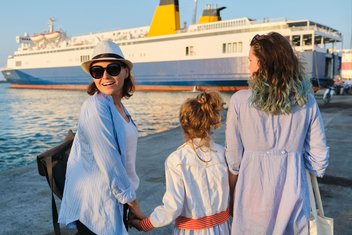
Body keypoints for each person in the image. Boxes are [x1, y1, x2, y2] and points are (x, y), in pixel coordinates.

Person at [225, 32, 329, 234]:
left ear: (263, 64)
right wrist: (293, 158)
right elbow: (319, 160)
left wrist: (230, 196)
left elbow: (234, 161)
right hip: (293, 196)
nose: (249, 66)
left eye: (251, 61)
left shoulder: (239, 101)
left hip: (251, 197)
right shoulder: (306, 101)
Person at [58, 40, 145, 235]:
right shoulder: (95, 108)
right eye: (97, 71)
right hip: (96, 207)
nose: (105, 76)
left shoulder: (118, 106)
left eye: (112, 69)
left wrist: (127, 201)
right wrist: (133, 203)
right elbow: (110, 162)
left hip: (115, 201)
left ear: (125, 71)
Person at [129, 91, 231, 234]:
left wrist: (146, 223)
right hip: (222, 228)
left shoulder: (177, 160)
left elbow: (173, 207)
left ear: (183, 124)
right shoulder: (224, 154)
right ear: (210, 122)